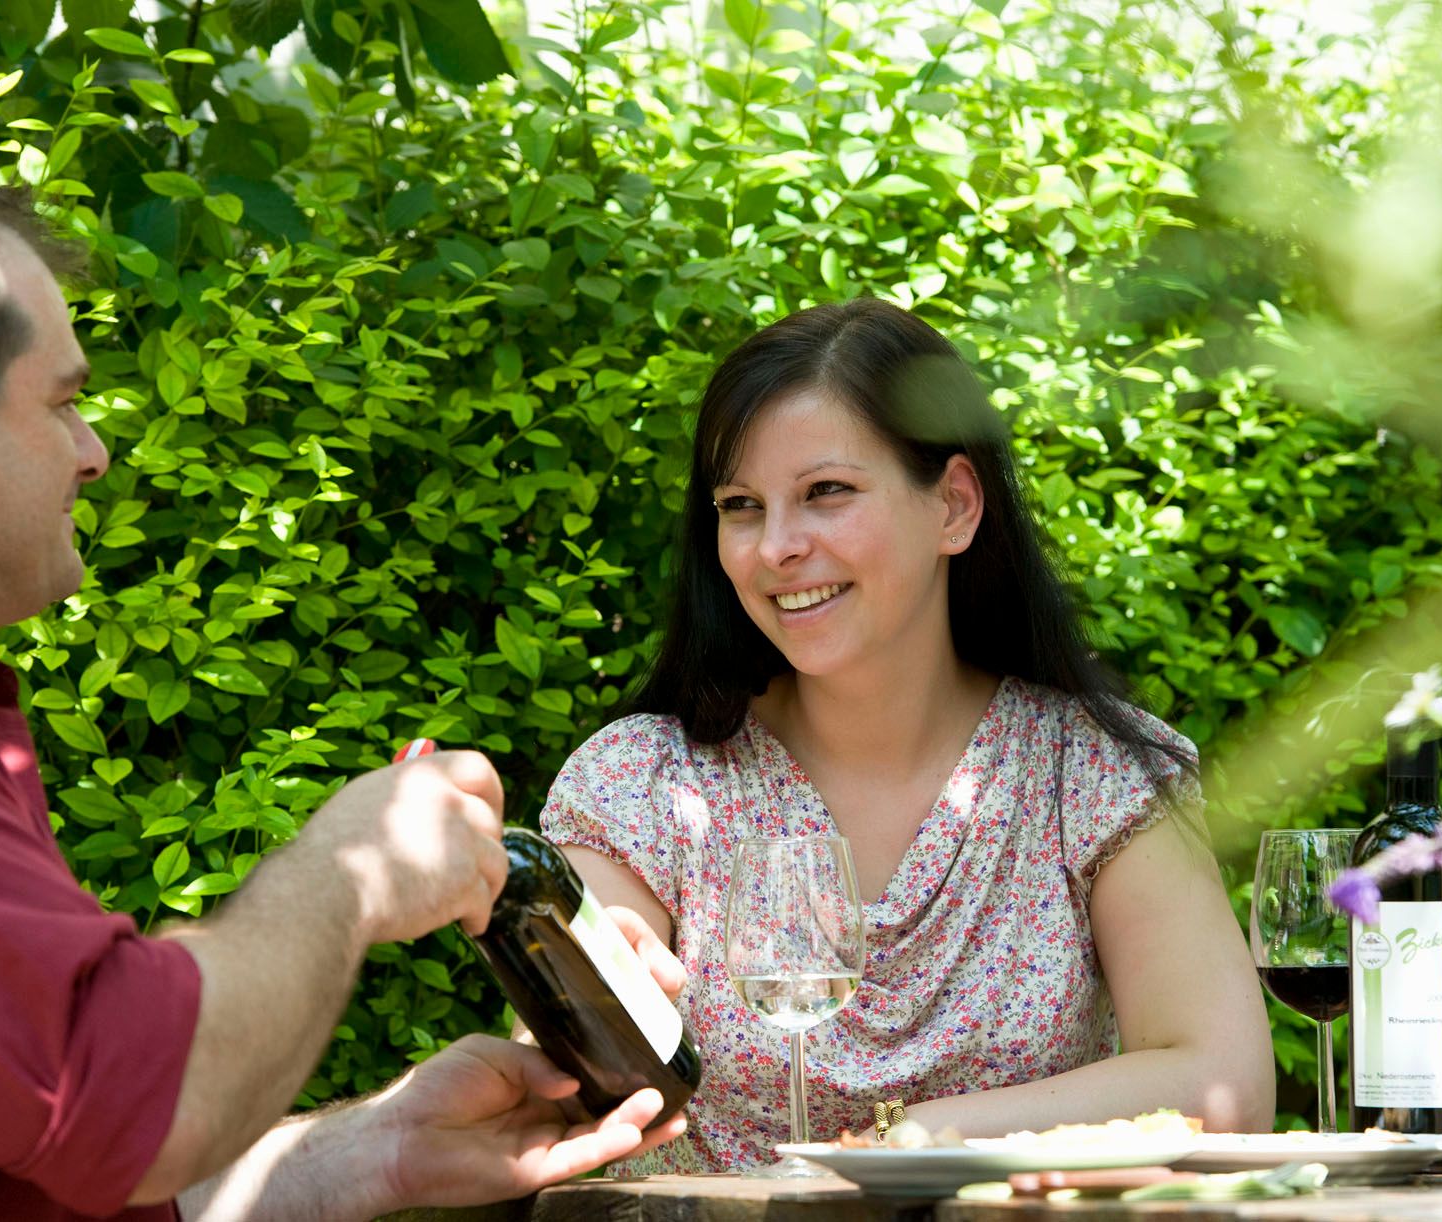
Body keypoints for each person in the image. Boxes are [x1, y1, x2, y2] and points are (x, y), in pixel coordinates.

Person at [0, 148, 684, 1220]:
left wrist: (376, 1148)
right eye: (65, 402)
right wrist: (355, 867)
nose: (96, 450)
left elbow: (35, 1168)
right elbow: (118, 1095)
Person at [539, 298, 1276, 1172]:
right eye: (741, 505)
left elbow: (1222, 1083)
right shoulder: (645, 784)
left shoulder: (1087, 774)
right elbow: (572, 1087)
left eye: (826, 492)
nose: (776, 547)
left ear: (954, 505)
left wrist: (909, 1140)